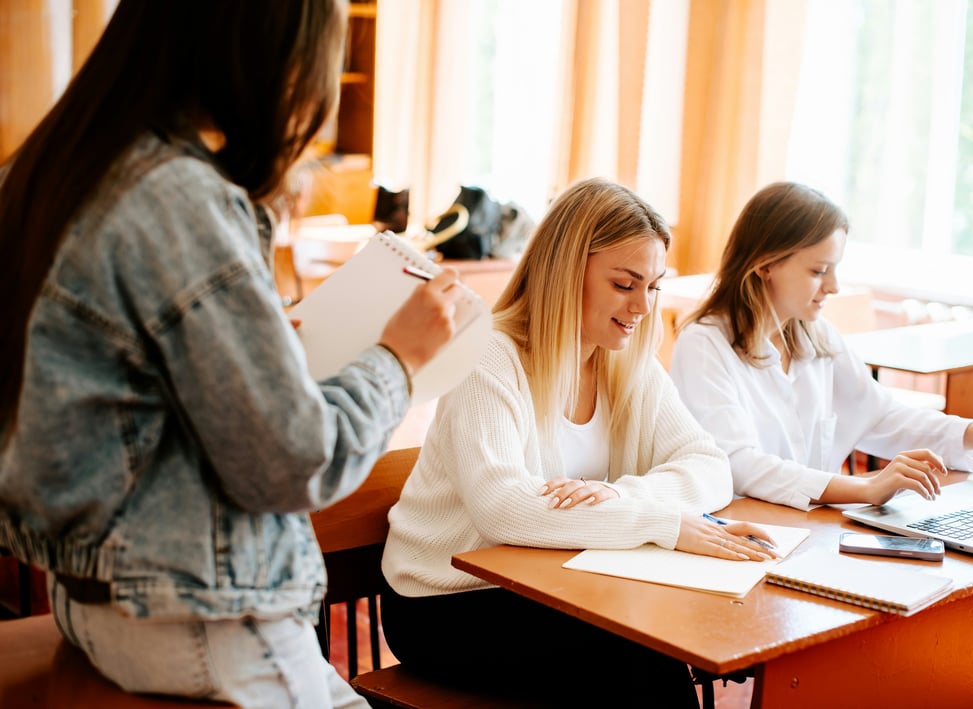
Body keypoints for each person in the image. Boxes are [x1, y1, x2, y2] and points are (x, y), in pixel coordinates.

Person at [0, 2, 465, 707]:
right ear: (261, 57)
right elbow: (297, 461)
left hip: (94, 596)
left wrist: (260, 339)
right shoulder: (177, 195)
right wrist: (400, 356)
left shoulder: (51, 170)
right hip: (194, 613)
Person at [379, 177, 776, 707]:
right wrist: (663, 523)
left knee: (648, 639)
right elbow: (504, 511)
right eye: (624, 283)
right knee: (635, 650)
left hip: (560, 579)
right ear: (566, 271)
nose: (640, 306)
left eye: (652, 287)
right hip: (449, 599)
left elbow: (708, 465)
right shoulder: (489, 357)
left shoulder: (624, 357)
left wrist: (621, 497)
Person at [669, 181, 973, 511]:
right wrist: (865, 487)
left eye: (834, 269)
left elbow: (881, 416)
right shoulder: (704, 345)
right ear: (765, 264)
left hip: (815, 529)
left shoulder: (816, 335)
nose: (834, 286)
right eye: (819, 270)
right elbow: (739, 464)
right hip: (753, 531)